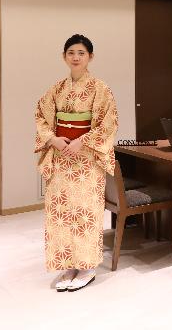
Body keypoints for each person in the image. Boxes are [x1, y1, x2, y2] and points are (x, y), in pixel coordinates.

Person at [34, 34, 118, 292]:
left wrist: (83, 141)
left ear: (90, 57)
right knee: (61, 213)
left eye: (81, 53)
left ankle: (88, 266)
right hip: (61, 158)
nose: (76, 57)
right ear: (64, 57)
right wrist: (52, 139)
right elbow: (41, 116)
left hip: (87, 161)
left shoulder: (100, 89)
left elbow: (108, 123)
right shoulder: (56, 89)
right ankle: (68, 265)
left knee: (85, 213)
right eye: (71, 53)